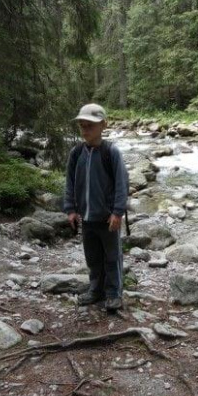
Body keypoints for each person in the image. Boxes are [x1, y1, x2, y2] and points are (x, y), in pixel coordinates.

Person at [64, 103, 129, 311]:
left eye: (90, 126)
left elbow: (121, 183)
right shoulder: (76, 154)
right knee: (92, 257)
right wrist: (71, 209)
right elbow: (70, 183)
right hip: (87, 218)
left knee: (112, 256)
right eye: (82, 126)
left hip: (107, 218)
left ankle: (113, 293)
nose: (85, 130)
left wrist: (118, 212)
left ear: (103, 125)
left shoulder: (111, 152)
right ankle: (96, 289)